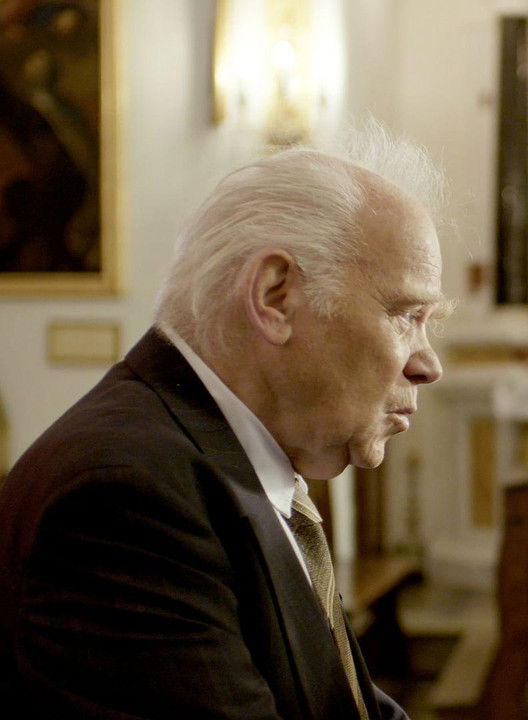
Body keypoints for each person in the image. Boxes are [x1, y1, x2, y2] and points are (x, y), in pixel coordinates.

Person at [0, 124, 450, 719]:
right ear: (275, 296)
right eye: (405, 315)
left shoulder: (219, 459)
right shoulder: (128, 499)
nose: (428, 365)